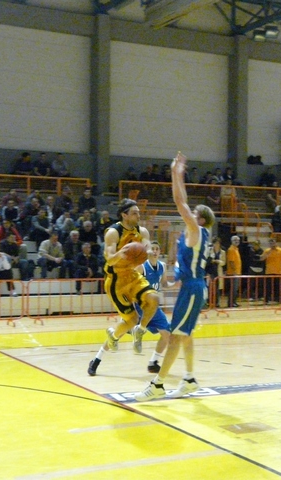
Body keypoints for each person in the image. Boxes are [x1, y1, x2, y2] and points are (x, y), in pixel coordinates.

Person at [135, 153, 215, 402]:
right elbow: (184, 202)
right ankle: (189, 379)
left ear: (200, 219)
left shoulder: (196, 230)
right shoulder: (199, 234)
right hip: (193, 286)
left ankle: (157, 384)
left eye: (193, 212)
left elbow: (180, 201)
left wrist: (175, 173)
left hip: (193, 289)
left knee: (175, 338)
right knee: (186, 335)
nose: (188, 213)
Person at [88, 241, 173, 376]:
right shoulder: (141, 266)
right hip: (139, 306)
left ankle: (153, 362)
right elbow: (130, 285)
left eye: (157, 249)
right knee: (118, 334)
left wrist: (178, 282)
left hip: (152, 309)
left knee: (167, 334)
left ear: (160, 251)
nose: (155, 251)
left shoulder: (162, 266)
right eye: (152, 248)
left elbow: (164, 284)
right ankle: (96, 360)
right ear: (148, 251)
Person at [102, 199, 160, 356]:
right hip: (116, 280)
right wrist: (122, 253)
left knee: (154, 298)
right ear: (124, 215)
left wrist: (146, 252)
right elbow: (110, 259)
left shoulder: (142, 232)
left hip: (132, 275)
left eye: (139, 213)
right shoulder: (113, 232)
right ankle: (114, 337)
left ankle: (140, 330)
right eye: (135, 213)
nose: (138, 216)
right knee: (131, 319)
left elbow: (146, 249)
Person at [260, 238, 281, 304]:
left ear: (276, 243)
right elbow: (261, 259)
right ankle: (266, 300)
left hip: (278, 271)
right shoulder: (267, 251)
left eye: (273, 242)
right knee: (268, 287)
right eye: (270, 243)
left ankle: (280, 299)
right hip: (269, 271)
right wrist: (267, 254)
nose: (272, 244)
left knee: (279, 287)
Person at [226, 235, 241, 308]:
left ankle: (234, 302)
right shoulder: (231, 249)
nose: (237, 241)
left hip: (237, 272)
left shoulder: (236, 249)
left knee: (235, 289)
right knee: (233, 289)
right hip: (233, 273)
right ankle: (231, 303)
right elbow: (231, 261)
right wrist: (234, 271)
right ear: (231, 241)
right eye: (235, 240)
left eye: (238, 240)